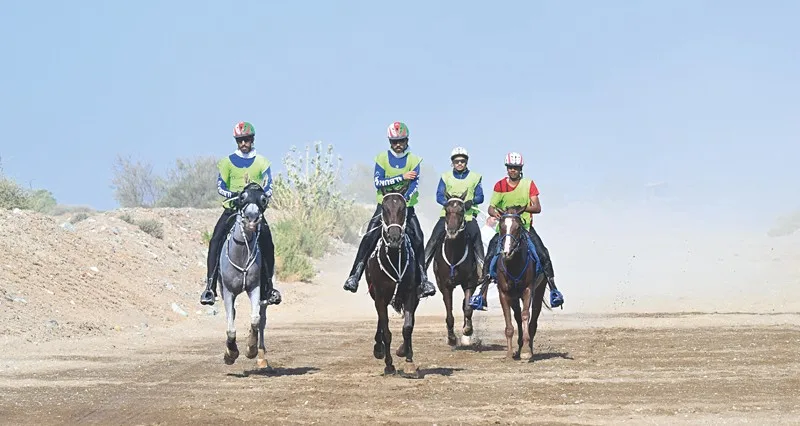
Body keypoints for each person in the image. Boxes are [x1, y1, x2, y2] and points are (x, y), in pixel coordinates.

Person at [342, 121, 437, 298]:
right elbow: (378, 182)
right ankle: (355, 275)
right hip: (384, 207)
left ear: (407, 140)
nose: (398, 145)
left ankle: (423, 279)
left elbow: (414, 185)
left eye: (401, 141)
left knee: (418, 237)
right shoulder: (381, 159)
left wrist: (403, 198)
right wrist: (402, 177)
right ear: (389, 142)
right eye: (394, 142)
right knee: (369, 236)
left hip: (406, 208)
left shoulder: (414, 160)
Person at [199, 121, 282, 307]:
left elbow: (269, 186)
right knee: (215, 240)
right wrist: (235, 195)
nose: (243, 143)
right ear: (236, 142)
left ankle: (268, 287)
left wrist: (259, 196)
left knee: (267, 241)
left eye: (246, 140)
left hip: (253, 211)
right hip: (233, 209)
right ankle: (210, 287)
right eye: (240, 140)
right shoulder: (227, 162)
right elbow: (221, 186)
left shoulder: (262, 162)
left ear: (252, 140)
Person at [470, 151, 564, 310]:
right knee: (491, 254)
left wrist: (520, 209)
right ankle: (481, 293)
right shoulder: (499, 185)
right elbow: (491, 207)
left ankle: (553, 289)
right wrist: (495, 213)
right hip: (506, 230)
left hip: (524, 228)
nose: (512, 170)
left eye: (516, 167)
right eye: (510, 167)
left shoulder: (529, 184)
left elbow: (537, 207)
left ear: (520, 168)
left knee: (543, 253)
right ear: (506, 168)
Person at [423, 147, 487, 283]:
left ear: (466, 162)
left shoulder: (475, 177)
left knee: (476, 238)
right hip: (447, 216)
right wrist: (447, 204)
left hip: (468, 216)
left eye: (462, 161)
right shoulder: (445, 177)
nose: (459, 163)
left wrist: (472, 201)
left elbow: (480, 197)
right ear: (452, 162)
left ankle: (483, 270)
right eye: (456, 161)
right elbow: (439, 195)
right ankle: (422, 271)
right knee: (434, 238)